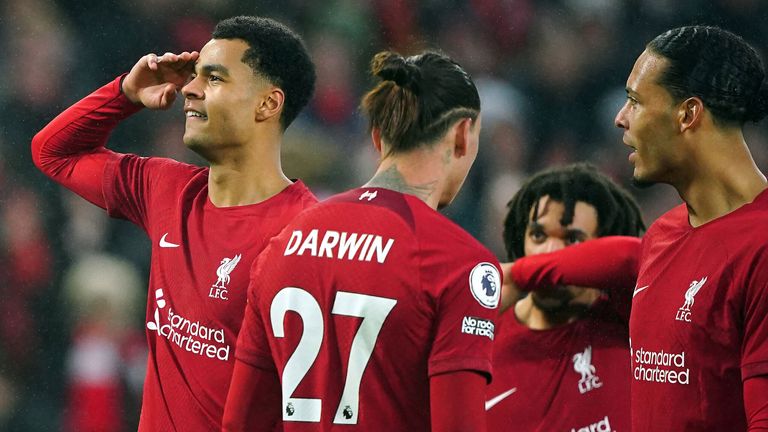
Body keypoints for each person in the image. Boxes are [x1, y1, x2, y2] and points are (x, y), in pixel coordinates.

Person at [32, 16, 318, 431]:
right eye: (195, 75)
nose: (189, 88)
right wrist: (126, 93)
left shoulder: (306, 233)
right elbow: (53, 152)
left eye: (215, 78)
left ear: (268, 104)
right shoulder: (167, 189)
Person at [222, 50, 499, 432]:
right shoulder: (461, 264)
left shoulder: (283, 243)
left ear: (377, 136)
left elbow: (240, 423)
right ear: (463, 134)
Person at [614, 25, 768, 430]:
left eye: (634, 101)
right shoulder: (662, 234)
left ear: (687, 114)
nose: (620, 118)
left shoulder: (762, 247)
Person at [485, 163, 644, 432]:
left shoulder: (630, 320)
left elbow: (632, 257)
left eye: (572, 239)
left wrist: (520, 273)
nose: (550, 251)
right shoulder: (484, 335)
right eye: (538, 235)